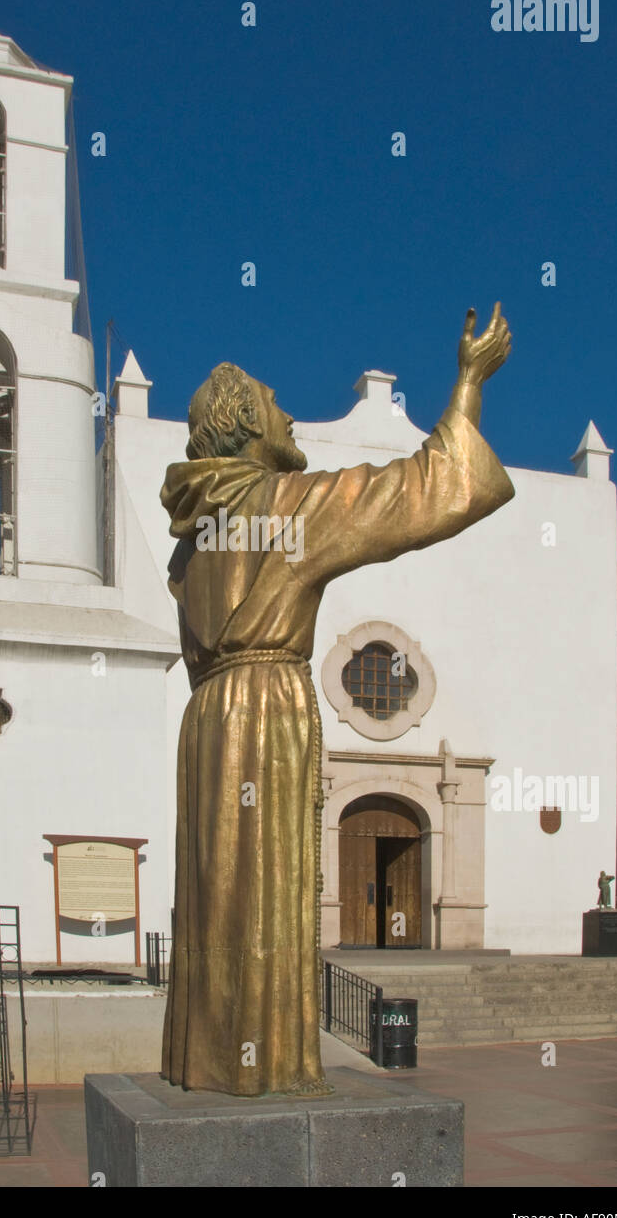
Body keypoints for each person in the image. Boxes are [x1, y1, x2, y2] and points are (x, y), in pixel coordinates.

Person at [160, 305, 515, 1095]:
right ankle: (267, 1069)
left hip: (209, 719)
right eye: (276, 404)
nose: (289, 414)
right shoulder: (282, 507)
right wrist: (468, 383)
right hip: (264, 705)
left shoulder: (194, 543)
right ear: (249, 424)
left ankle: (211, 1059)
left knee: (220, 892)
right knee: (266, 891)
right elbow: (426, 489)